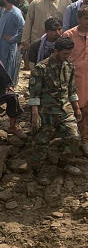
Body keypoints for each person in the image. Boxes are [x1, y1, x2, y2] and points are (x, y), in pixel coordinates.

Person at [29, 35, 82, 174]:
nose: (67, 56)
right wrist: (35, 115)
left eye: (69, 54)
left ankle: (65, 163)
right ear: (56, 51)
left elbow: (72, 90)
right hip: (46, 112)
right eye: (65, 54)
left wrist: (76, 108)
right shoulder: (40, 68)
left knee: (74, 137)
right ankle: (38, 170)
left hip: (65, 110)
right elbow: (34, 94)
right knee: (41, 143)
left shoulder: (69, 66)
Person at [62, 5, 88, 142]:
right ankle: (72, 138)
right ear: (78, 18)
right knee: (75, 107)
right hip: (74, 79)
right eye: (85, 18)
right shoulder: (69, 35)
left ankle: (84, 138)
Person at [0, 0, 24, 86]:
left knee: (7, 70)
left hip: (7, 48)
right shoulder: (4, 11)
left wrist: (12, 40)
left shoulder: (16, 13)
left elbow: (23, 30)